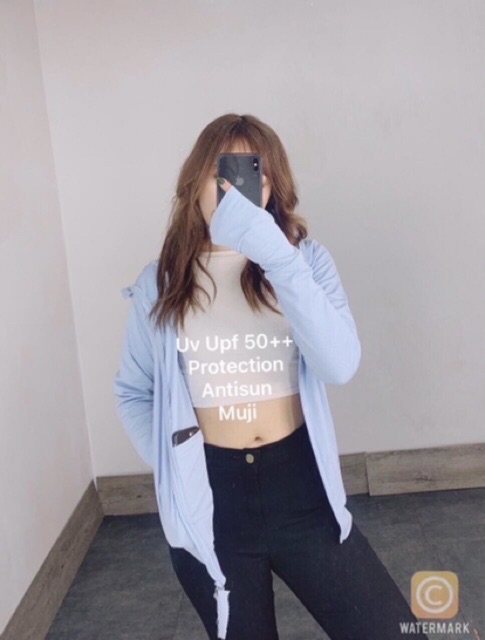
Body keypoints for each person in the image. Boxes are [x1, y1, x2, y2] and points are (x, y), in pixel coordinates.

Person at [113, 114, 429, 639]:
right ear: (195, 182)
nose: (234, 189)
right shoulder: (161, 283)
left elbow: (339, 364)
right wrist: (174, 468)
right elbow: (133, 391)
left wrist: (275, 255)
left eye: (251, 172)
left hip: (300, 486)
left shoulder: (304, 262)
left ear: (271, 185)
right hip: (212, 499)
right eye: (223, 172)